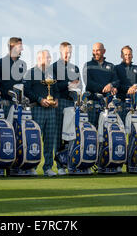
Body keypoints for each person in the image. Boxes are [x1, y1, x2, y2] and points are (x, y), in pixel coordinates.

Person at [23, 50, 59, 177]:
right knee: (35, 139)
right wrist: (39, 100)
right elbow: (26, 90)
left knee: (49, 140)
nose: (49, 59)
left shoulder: (51, 74)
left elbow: (57, 89)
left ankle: (48, 167)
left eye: (50, 57)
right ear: (39, 58)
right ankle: (32, 166)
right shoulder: (30, 72)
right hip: (37, 108)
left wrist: (56, 100)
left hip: (51, 111)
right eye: (47, 57)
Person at [51, 42, 81, 175]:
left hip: (71, 103)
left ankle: (70, 163)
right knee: (58, 134)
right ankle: (59, 166)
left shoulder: (75, 68)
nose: (68, 54)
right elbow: (54, 86)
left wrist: (76, 87)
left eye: (70, 52)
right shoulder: (53, 67)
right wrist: (69, 84)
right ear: (60, 51)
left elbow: (79, 85)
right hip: (59, 102)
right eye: (66, 52)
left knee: (71, 134)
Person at [82, 42, 119, 126]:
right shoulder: (87, 65)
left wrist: (111, 85)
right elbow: (89, 83)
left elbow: (117, 81)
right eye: (94, 50)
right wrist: (105, 88)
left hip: (107, 104)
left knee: (107, 131)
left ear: (104, 51)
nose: (95, 53)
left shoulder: (111, 66)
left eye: (98, 50)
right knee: (91, 132)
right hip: (92, 103)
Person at [115, 45, 137, 121]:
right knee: (122, 126)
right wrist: (128, 88)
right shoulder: (116, 68)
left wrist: (135, 86)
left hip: (136, 103)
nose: (128, 56)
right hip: (121, 102)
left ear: (132, 55)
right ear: (121, 56)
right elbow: (117, 84)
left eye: (129, 54)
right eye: (125, 54)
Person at [0, 37, 27, 104]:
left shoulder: (23, 64)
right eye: (20, 46)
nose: (22, 49)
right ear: (12, 46)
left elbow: (24, 83)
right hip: (4, 102)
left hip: (19, 102)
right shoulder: (0, 62)